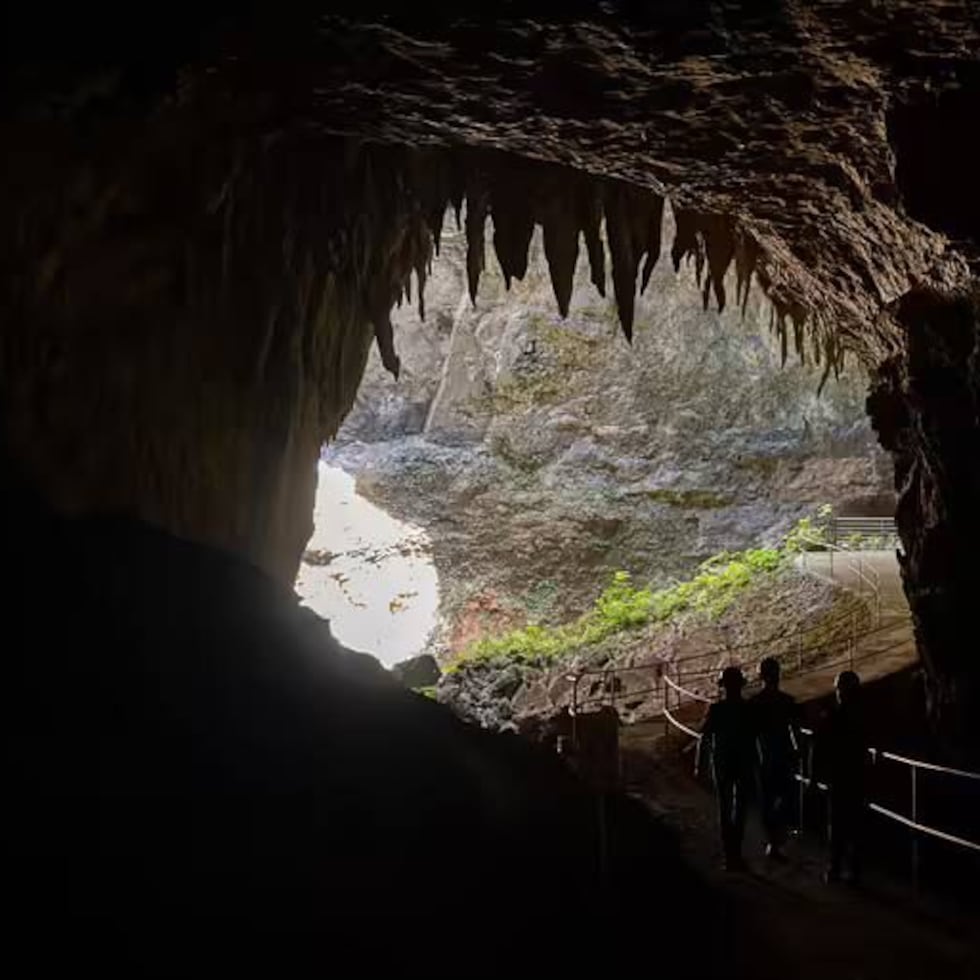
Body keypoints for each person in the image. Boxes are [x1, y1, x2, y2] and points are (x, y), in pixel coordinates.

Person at [696, 666, 756, 871]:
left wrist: (699, 765)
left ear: (723, 687)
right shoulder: (748, 709)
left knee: (724, 807)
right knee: (739, 809)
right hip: (743, 762)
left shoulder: (716, 709)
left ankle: (729, 856)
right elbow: (755, 738)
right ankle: (736, 854)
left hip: (722, 763)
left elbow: (704, 738)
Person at [812, 670, 867, 884]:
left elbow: (819, 748)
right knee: (856, 824)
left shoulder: (832, 717)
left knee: (837, 824)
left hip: (838, 776)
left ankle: (835, 866)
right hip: (857, 776)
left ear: (840, 692)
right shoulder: (862, 718)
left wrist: (815, 778)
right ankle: (854, 869)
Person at [749, 657, 800, 860]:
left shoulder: (755, 703)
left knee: (767, 801)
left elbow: (750, 733)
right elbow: (794, 729)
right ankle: (778, 839)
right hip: (783, 755)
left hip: (764, 755)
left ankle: (773, 841)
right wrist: (798, 749)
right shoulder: (787, 701)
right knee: (786, 798)